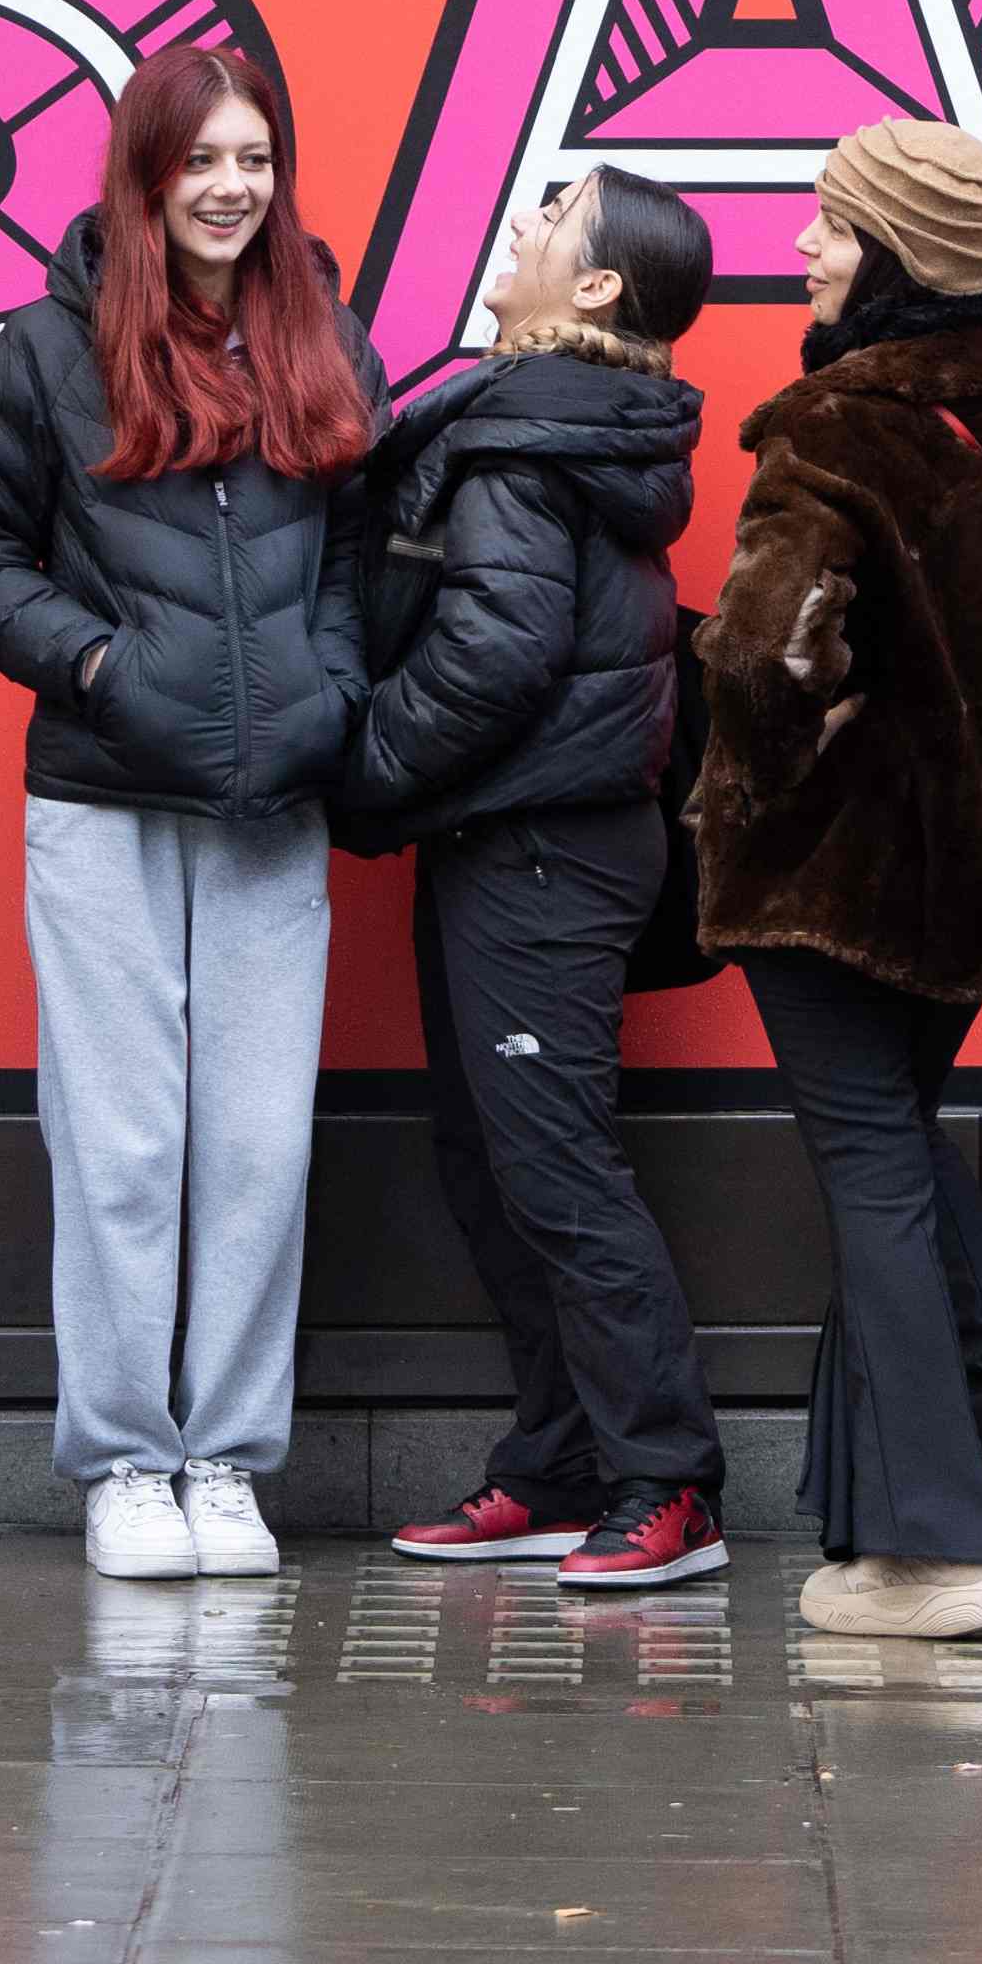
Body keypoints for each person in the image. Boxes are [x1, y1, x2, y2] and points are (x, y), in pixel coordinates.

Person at [0, 42, 385, 1582]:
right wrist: (104, 663)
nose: (230, 186)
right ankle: (125, 1458)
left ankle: (227, 1462)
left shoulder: (322, 333)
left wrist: (326, 682)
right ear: (143, 173)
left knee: (256, 1147)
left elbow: (357, 552)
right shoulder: (46, 348)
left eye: (254, 157)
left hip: (273, 808)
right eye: (200, 159)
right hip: (106, 799)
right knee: (121, 1144)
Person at [692, 119, 982, 1642]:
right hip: (981, 886)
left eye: (826, 225)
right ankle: (959, 1454)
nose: (802, 249)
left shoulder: (829, 427)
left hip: (827, 874)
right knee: (897, 1143)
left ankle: (936, 1545)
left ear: (894, 253)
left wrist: (764, 736)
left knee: (870, 1168)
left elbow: (758, 650)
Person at [355, 168, 728, 1591]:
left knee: (554, 1162)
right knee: (497, 1158)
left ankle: (667, 1477)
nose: (519, 220)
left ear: (595, 289)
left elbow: (494, 655)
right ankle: (560, 1459)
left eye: (555, 212)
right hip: (515, 836)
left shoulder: (525, 438)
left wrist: (363, 768)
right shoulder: (552, 421)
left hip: (538, 843)